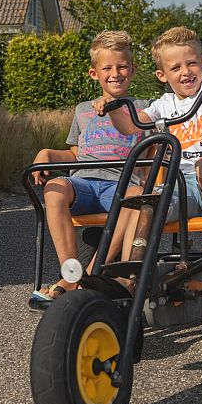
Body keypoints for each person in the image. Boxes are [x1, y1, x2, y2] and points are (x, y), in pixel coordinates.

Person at [95, 26, 202, 291]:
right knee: (145, 202)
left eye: (192, 63)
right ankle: (125, 278)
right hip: (186, 187)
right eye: (176, 67)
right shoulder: (163, 105)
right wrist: (110, 105)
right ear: (162, 75)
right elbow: (130, 126)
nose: (185, 72)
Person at [29, 30, 149, 308]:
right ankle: (70, 272)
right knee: (55, 187)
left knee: (137, 195)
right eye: (107, 68)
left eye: (122, 67)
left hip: (120, 184)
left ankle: (92, 274)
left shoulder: (144, 108)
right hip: (84, 182)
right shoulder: (82, 109)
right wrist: (46, 153)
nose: (115, 73)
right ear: (94, 74)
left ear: (133, 69)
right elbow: (75, 153)